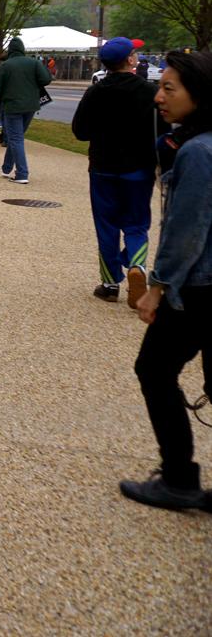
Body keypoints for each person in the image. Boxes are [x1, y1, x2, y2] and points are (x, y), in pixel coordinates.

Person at [119, 51, 212, 511]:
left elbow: (186, 231)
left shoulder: (198, 152)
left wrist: (158, 286)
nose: (159, 96)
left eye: (170, 88)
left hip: (197, 289)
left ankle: (178, 478)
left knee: (154, 371)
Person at [72, 37, 162, 306]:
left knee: (106, 225)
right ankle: (137, 265)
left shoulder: (95, 92)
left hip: (102, 166)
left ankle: (110, 281)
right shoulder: (148, 91)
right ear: (130, 60)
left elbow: (80, 131)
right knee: (136, 223)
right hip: (138, 167)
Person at [0, 36, 53, 185]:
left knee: (16, 138)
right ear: (23, 49)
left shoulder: (5, 66)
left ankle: (22, 173)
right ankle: (6, 167)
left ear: (10, 51)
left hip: (12, 105)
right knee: (16, 137)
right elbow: (46, 80)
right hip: (31, 105)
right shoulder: (34, 63)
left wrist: (1, 97)